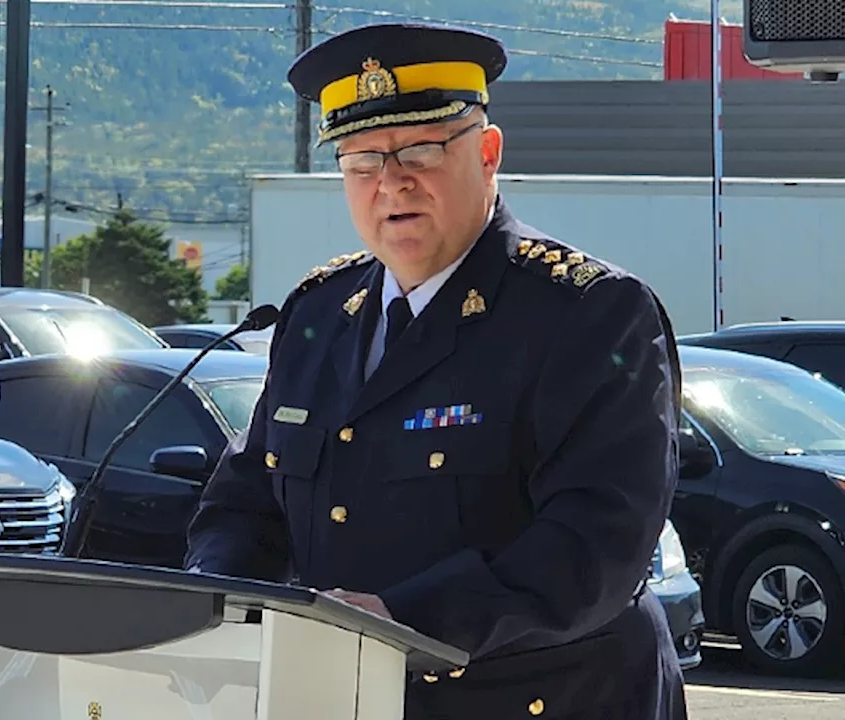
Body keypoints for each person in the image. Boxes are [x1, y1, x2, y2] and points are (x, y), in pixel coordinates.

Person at [183, 22, 688, 720]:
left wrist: (399, 619)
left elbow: (597, 547)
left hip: (548, 699)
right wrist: (219, 602)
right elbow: (245, 502)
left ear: (487, 153)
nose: (391, 183)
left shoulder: (588, 313)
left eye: (419, 150)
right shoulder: (318, 315)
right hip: (350, 698)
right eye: (362, 161)